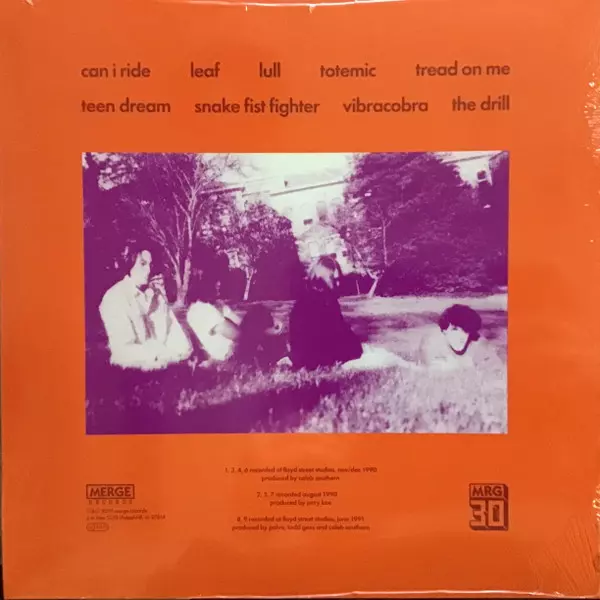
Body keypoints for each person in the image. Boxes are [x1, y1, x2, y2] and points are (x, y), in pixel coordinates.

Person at [98, 243, 192, 371]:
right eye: (142, 264)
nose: (148, 270)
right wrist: (165, 355)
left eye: (150, 265)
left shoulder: (157, 296)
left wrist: (182, 354)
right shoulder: (115, 297)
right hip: (132, 371)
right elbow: (123, 351)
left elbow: (174, 332)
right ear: (129, 264)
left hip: (167, 364)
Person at [288, 256, 364, 370]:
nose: (338, 284)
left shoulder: (329, 300)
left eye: (339, 279)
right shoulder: (309, 303)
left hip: (319, 352)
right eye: (333, 279)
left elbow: (342, 330)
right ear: (320, 279)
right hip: (313, 355)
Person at [418, 303, 484, 371]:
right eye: (455, 329)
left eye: (465, 330)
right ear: (444, 331)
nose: (460, 335)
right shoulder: (431, 343)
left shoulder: (478, 347)